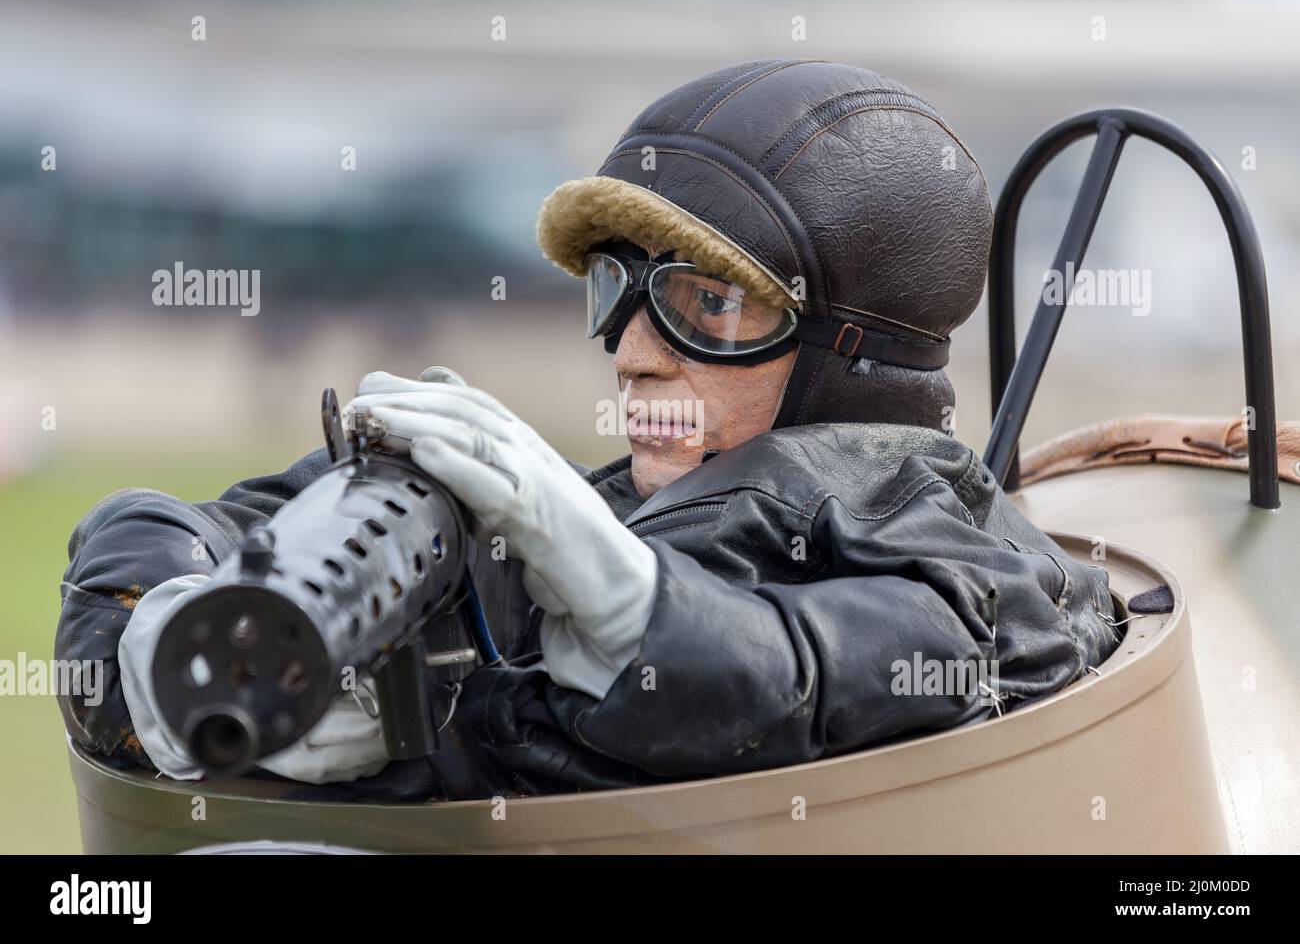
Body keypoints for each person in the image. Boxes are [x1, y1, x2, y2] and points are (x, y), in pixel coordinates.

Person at [56, 59, 1119, 797]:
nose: (630, 349)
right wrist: (159, 635)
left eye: (707, 303)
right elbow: (147, 530)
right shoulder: (589, 513)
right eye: (616, 289)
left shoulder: (972, 575)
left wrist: (448, 718)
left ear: (852, 346)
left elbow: (810, 677)